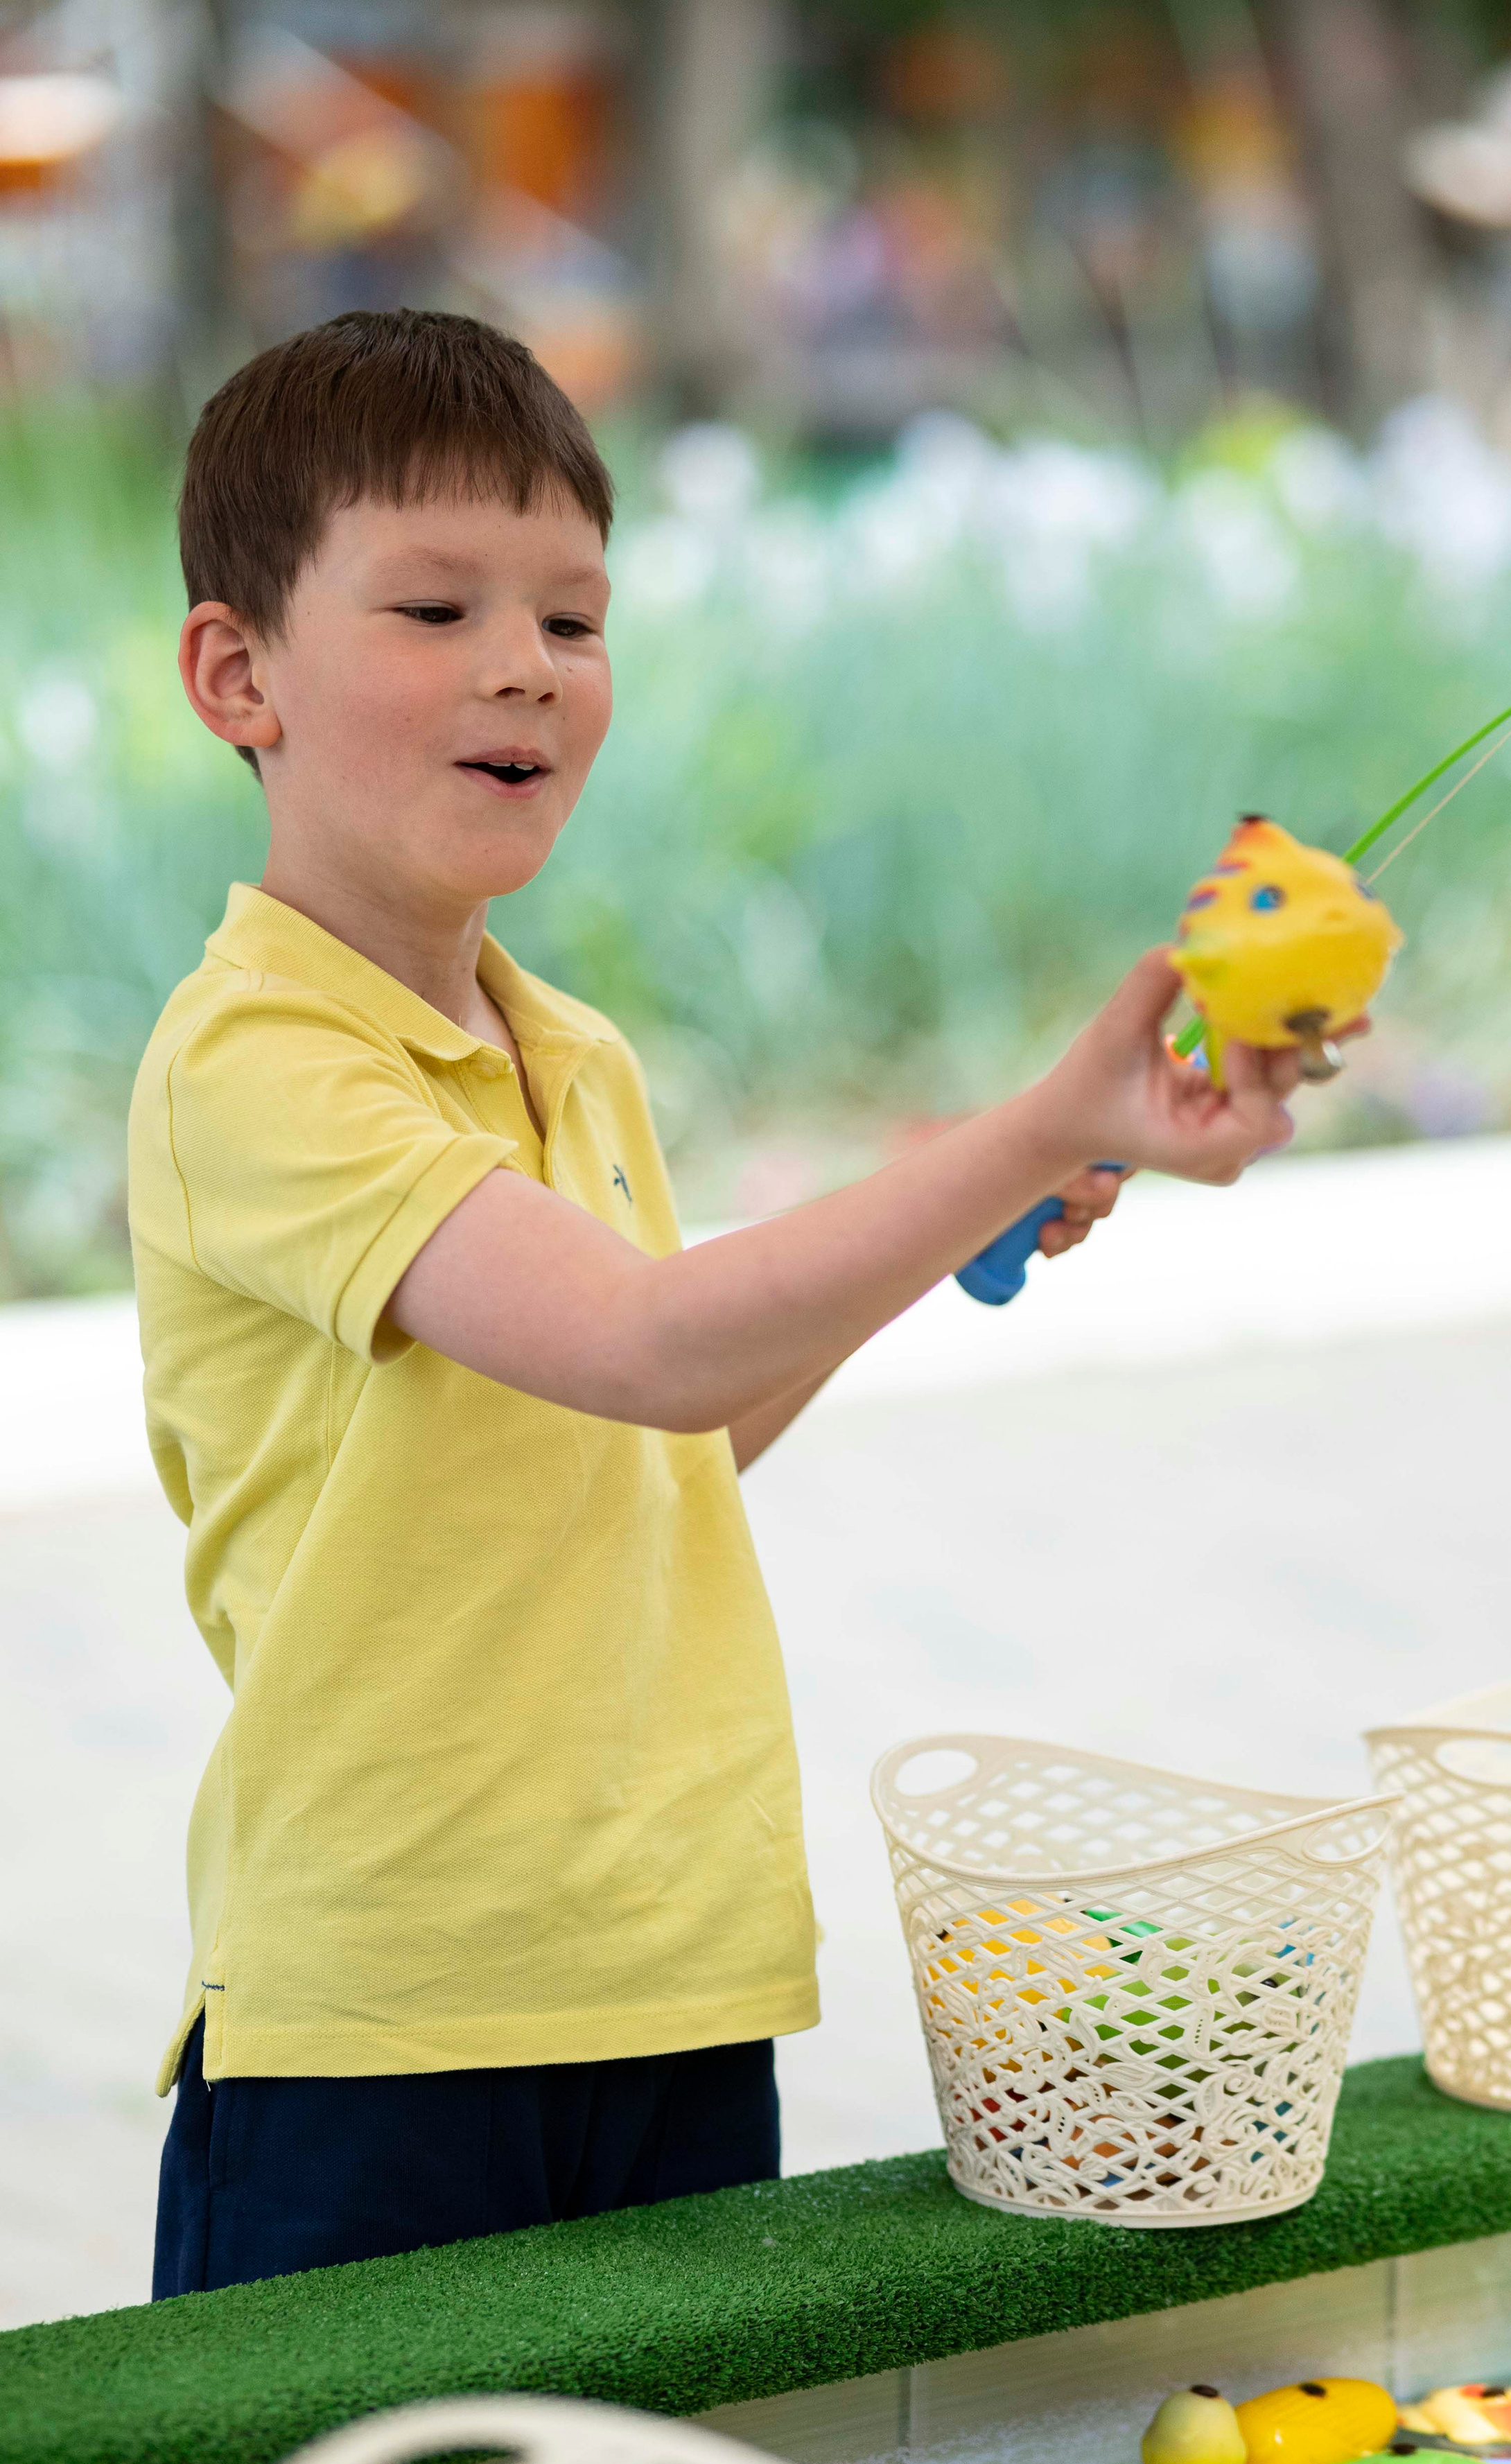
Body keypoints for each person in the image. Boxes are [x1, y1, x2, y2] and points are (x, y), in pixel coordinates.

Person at [134, 307, 1304, 2296]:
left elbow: (680, 1412)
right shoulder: (252, 1060)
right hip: (385, 2026)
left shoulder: (567, 1050)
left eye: (573, 623)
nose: (523, 663)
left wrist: (961, 1208)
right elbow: (649, 1336)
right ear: (237, 671)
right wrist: (1031, 1124)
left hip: (677, 1973)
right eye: (434, 607)